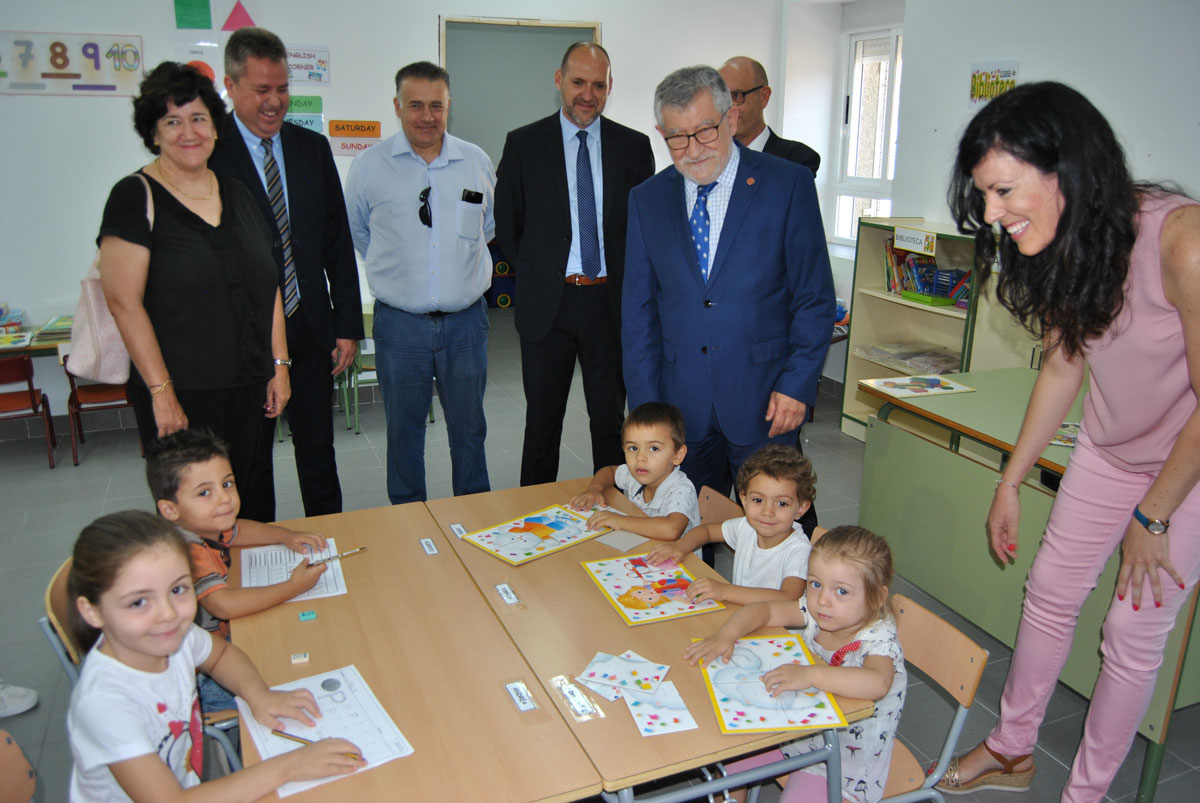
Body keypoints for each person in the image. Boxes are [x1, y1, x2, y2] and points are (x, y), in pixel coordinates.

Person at [937, 81, 1200, 801]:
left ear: (1065, 170)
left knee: (1131, 630)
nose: (992, 215)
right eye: (985, 196)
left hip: (1190, 468)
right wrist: (1010, 480)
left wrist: (1155, 516)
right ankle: (1013, 747)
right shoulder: (1070, 240)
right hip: (1111, 449)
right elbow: (1063, 362)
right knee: (1050, 590)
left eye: (1003, 191)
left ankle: (1085, 793)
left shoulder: (1183, 242)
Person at [622, 65, 836, 505]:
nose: (692, 150)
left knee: (773, 532)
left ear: (732, 119)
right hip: (681, 405)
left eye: (704, 131)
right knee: (684, 525)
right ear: (660, 133)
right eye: (676, 137)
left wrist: (798, 384)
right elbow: (638, 311)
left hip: (766, 398)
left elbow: (814, 298)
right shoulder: (647, 199)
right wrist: (646, 410)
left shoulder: (787, 185)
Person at [98, 62, 288, 521]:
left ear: (216, 128)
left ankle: (254, 589)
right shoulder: (134, 196)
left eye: (199, 118)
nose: (189, 132)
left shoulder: (239, 194)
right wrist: (161, 392)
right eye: (173, 121)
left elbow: (271, 286)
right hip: (183, 392)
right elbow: (124, 302)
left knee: (252, 500)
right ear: (154, 132)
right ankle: (202, 594)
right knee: (198, 512)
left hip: (251, 387)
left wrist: (279, 364)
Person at [66, 510, 363, 798]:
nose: (168, 613)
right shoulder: (105, 704)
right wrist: (290, 766)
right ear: (92, 611)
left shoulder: (172, 637)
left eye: (179, 589)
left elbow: (220, 656)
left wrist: (258, 694)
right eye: (138, 602)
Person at [210, 27, 364, 520]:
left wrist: (346, 326)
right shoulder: (212, 158)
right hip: (244, 336)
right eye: (261, 90)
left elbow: (337, 243)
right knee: (251, 457)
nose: (274, 101)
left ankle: (329, 535)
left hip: (310, 324)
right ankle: (259, 548)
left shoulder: (311, 149)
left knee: (318, 448)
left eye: (281, 88)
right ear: (231, 86)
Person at [495, 42, 655, 486]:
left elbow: (645, 231)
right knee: (543, 422)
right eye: (578, 82)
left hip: (610, 303)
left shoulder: (634, 147)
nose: (588, 94)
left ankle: (612, 506)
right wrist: (542, 271)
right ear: (559, 81)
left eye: (598, 85)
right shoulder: (524, 143)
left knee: (610, 422)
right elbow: (508, 226)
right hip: (550, 302)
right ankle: (533, 513)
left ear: (609, 88)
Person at [346, 61, 495, 504]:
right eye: (415, 105)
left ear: (449, 106)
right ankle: (409, 520)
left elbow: (488, 230)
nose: (426, 116)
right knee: (404, 433)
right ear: (397, 106)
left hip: (466, 324)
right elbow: (360, 235)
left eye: (436, 105)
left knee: (470, 430)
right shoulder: (370, 167)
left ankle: (474, 512)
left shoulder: (476, 161)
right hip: (400, 326)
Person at [687, 526, 905, 803]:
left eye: (841, 591)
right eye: (815, 584)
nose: (823, 600)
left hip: (846, 763)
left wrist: (811, 674)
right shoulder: (820, 612)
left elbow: (878, 682)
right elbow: (763, 610)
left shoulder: (879, 638)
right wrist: (726, 635)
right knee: (729, 764)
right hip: (796, 732)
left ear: (876, 598)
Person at [145, 429, 328, 712]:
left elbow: (237, 530)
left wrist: (286, 536)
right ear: (169, 510)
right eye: (205, 492)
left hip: (216, 651)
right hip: (199, 681)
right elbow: (223, 605)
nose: (224, 499)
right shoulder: (185, 550)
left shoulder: (200, 525)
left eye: (227, 484)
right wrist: (293, 587)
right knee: (297, 676)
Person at [645, 444, 814, 605]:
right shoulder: (746, 526)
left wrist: (726, 591)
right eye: (758, 500)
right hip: (742, 615)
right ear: (744, 499)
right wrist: (681, 547)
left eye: (782, 504)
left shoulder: (798, 550)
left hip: (776, 631)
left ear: (801, 508)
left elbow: (788, 598)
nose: (767, 512)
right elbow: (706, 531)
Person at [568, 402, 700, 542]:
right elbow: (610, 472)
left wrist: (620, 521)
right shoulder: (635, 475)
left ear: (677, 455)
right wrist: (594, 489)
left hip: (678, 560)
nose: (640, 458)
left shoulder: (681, 489)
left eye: (654, 448)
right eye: (633, 448)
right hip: (643, 546)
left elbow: (671, 529)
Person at [719, 57, 820, 177]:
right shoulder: (709, 158)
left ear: (763, 97)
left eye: (737, 96)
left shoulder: (796, 159)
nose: (728, 108)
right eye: (722, 98)